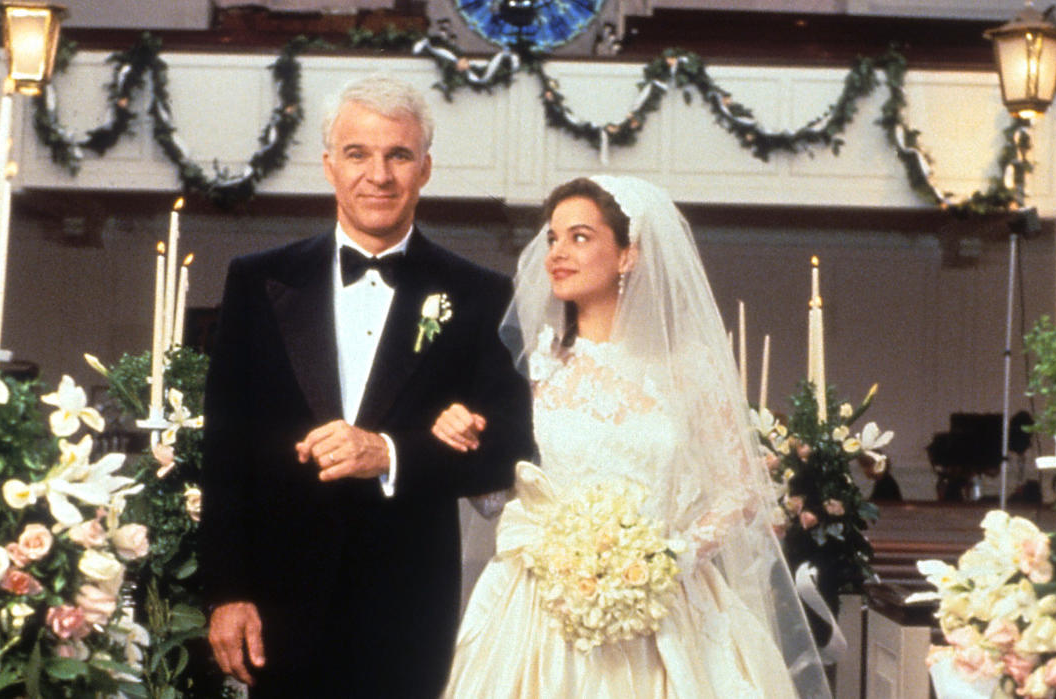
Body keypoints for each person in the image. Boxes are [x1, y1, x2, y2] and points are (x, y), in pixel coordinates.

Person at [199, 74, 534, 698]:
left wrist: (390, 453)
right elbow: (225, 452)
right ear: (329, 165)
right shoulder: (256, 281)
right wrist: (227, 592)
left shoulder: (478, 294)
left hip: (408, 608)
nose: (378, 175)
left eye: (398, 155)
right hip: (278, 606)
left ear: (425, 168)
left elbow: (512, 446)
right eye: (358, 153)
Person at [434, 176, 830, 697]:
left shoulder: (688, 366)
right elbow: (493, 498)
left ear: (628, 256)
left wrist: (667, 559)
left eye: (580, 237)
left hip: (670, 601)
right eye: (552, 238)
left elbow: (740, 491)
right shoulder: (530, 368)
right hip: (542, 605)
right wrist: (459, 438)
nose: (557, 253)